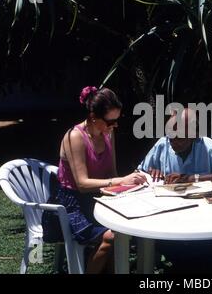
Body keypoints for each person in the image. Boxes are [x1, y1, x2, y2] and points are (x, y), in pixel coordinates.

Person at [42, 86, 146, 274]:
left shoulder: (108, 132)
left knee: (130, 226)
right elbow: (82, 184)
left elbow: (111, 173)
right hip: (71, 205)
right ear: (93, 117)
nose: (115, 126)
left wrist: (127, 184)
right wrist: (120, 180)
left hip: (98, 197)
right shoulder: (74, 136)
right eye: (110, 121)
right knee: (112, 237)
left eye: (117, 120)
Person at [138, 108, 212, 184]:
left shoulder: (207, 146)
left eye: (180, 138)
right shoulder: (163, 143)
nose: (174, 142)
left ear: (194, 135)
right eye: (171, 136)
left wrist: (191, 178)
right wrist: (152, 173)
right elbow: (138, 173)